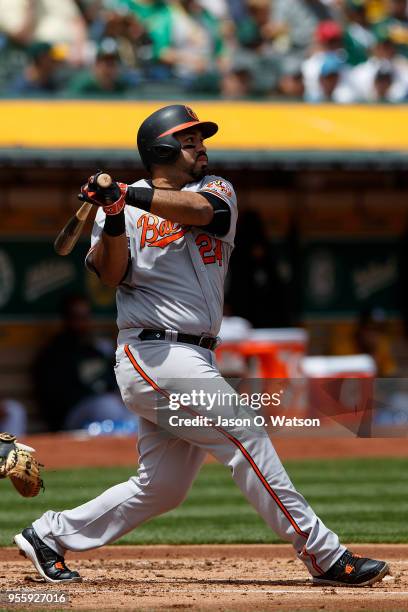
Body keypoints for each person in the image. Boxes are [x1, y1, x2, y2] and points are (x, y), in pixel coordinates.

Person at [15, 104, 388, 587]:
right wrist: (110, 215)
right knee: (247, 434)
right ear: (162, 149)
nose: (200, 147)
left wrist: (126, 193)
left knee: (163, 487)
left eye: (198, 139)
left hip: (193, 353)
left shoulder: (214, 190)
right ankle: (323, 553)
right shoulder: (124, 211)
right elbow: (110, 272)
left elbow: (205, 214)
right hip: (154, 353)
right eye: (188, 141)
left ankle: (49, 534)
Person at [32, 293, 135, 432]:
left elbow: (112, 380)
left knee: (135, 408)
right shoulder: (55, 353)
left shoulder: (94, 349)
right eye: (77, 317)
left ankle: (119, 451)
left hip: (103, 407)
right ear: (66, 319)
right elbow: (56, 399)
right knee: (108, 405)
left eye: (85, 317)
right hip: (73, 415)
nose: (82, 322)